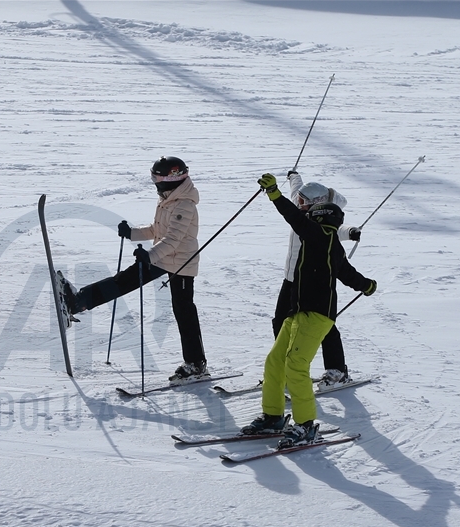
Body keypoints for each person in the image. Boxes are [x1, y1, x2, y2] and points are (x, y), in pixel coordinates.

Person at [243, 173, 377, 448]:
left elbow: (295, 218)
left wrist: (274, 195)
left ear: (318, 216)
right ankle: (273, 417)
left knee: (295, 365)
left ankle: (305, 426)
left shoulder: (319, 235)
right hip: (298, 311)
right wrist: (367, 285)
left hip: (317, 315)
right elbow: (349, 275)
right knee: (275, 361)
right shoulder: (328, 244)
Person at [57, 156, 207, 383]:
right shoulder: (169, 198)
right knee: (124, 280)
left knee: (183, 310)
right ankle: (77, 301)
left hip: (182, 262)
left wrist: (149, 255)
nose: (154, 181)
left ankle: (196, 365)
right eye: (153, 176)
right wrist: (132, 233)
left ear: (170, 178)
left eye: (156, 177)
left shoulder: (184, 204)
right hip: (164, 256)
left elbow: (173, 240)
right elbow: (157, 229)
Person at [272, 170, 362, 389]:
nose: (298, 203)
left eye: (303, 201)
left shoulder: (323, 221)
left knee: (322, 326)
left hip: (313, 280)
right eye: (299, 199)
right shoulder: (299, 205)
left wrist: (350, 232)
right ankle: (282, 366)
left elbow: (337, 229)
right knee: (281, 321)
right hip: (291, 278)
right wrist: (294, 176)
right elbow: (296, 187)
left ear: (316, 203)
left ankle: (337, 370)